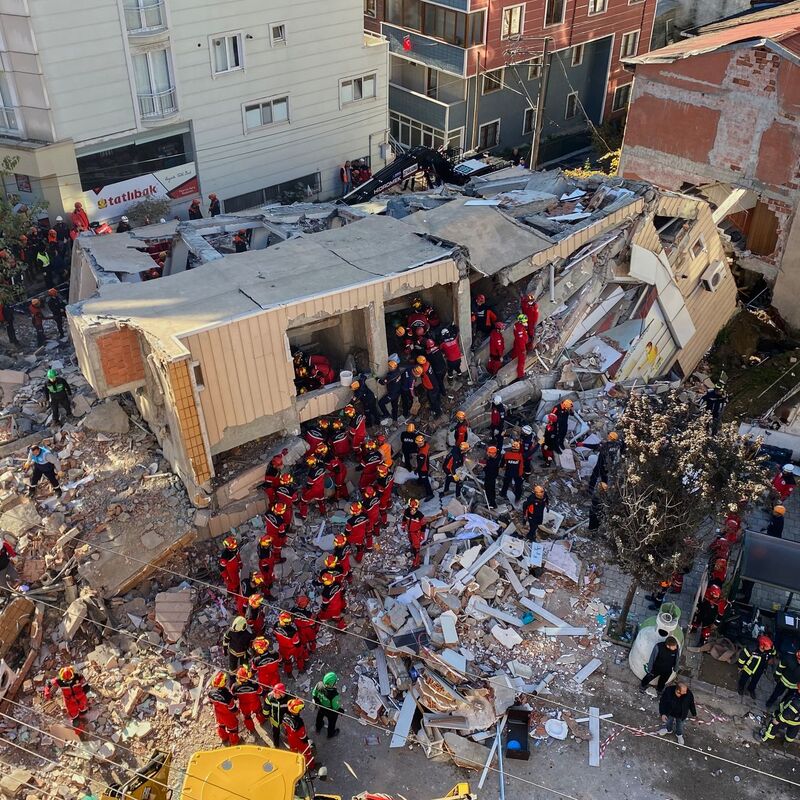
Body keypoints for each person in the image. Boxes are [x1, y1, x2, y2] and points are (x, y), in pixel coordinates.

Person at [44, 666, 90, 734]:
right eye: (66, 681)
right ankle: (79, 732)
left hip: (81, 698)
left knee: (83, 711)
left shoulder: (78, 676)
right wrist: (47, 691)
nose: (68, 682)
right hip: (70, 702)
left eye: (69, 680)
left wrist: (77, 696)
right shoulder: (59, 680)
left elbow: (87, 688)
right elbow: (48, 683)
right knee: (75, 718)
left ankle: (83, 719)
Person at [232, 665, 266, 734]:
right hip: (255, 703)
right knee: (259, 712)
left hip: (244, 706)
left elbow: (234, 697)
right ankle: (262, 721)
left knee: (247, 717)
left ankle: (251, 729)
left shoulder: (235, 686)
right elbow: (261, 693)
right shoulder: (254, 684)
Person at [209, 671, 240, 746]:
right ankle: (234, 742)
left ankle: (224, 737)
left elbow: (211, 702)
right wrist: (237, 712)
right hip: (227, 716)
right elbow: (232, 708)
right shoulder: (228, 696)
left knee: (221, 726)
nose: (226, 680)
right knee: (233, 729)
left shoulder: (211, 693)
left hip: (218, 714)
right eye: (225, 680)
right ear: (224, 683)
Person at [283, 698, 315, 767]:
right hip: (299, 741)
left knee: (293, 751)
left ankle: (294, 762)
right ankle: (311, 766)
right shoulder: (299, 722)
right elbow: (302, 736)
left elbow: (285, 726)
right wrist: (307, 740)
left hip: (290, 737)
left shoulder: (285, 715)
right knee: (307, 752)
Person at [275, 612, 307, 676]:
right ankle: (301, 668)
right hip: (292, 648)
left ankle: (289, 672)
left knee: (287, 661)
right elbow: (297, 643)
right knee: (299, 657)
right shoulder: (292, 631)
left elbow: (275, 635)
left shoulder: (276, 625)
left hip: (282, 647)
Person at [312, 672, 342, 738]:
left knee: (319, 717)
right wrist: (340, 710)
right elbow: (335, 707)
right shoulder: (334, 695)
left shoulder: (319, 684)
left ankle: (318, 728)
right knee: (332, 723)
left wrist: (316, 702)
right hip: (330, 711)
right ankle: (330, 734)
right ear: (332, 684)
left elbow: (314, 694)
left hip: (320, 706)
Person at [402, 498, 427, 568]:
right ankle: (413, 552)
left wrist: (422, 535)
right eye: (411, 508)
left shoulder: (420, 516)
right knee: (412, 544)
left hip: (416, 533)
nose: (412, 511)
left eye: (414, 509)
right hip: (410, 532)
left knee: (416, 547)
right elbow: (404, 519)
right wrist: (403, 525)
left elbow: (423, 526)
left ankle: (416, 562)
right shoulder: (407, 512)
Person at [218, 535, 242, 605]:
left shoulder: (235, 549)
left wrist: (240, 564)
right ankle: (235, 597)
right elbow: (221, 568)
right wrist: (226, 577)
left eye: (235, 547)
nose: (235, 548)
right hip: (230, 573)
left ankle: (232, 593)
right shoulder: (225, 556)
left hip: (236, 570)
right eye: (233, 547)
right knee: (233, 585)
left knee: (236, 583)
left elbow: (238, 557)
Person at [265, 682, 288, 747]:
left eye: (276, 694)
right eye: (274, 693)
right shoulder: (270, 697)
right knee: (275, 732)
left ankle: (287, 735)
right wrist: (266, 715)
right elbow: (266, 708)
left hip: (285, 719)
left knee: (287, 729)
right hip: (275, 719)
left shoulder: (289, 697)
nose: (274, 696)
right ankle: (276, 744)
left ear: (282, 694)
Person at [481, 445, 501, 509]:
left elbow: (487, 469)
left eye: (489, 453)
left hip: (490, 477)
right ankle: (492, 501)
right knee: (492, 489)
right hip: (493, 477)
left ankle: (492, 504)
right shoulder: (497, 458)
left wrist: (484, 467)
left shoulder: (491, 461)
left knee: (489, 490)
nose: (487, 454)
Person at [415, 433, 434, 501]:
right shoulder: (426, 445)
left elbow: (421, 464)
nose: (417, 444)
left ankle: (430, 494)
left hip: (424, 468)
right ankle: (420, 481)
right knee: (421, 476)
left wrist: (417, 470)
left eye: (418, 443)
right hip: (426, 464)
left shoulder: (422, 453)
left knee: (426, 481)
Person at [511, 314, 529, 379]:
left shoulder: (516, 325)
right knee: (522, 360)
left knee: (515, 354)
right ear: (521, 322)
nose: (526, 323)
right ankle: (521, 375)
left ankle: (512, 363)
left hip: (516, 343)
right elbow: (521, 341)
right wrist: (523, 350)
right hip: (520, 346)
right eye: (524, 322)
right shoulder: (520, 330)